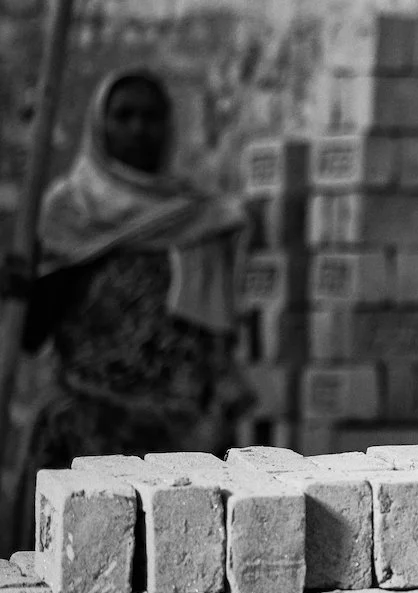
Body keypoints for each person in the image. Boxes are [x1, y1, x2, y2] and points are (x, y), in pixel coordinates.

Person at [6, 69, 252, 486]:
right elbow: (33, 335)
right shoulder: (70, 212)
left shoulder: (195, 217)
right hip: (85, 431)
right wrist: (22, 287)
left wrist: (217, 413)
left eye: (152, 117)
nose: (139, 129)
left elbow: (217, 336)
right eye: (124, 116)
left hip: (179, 436)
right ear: (100, 125)